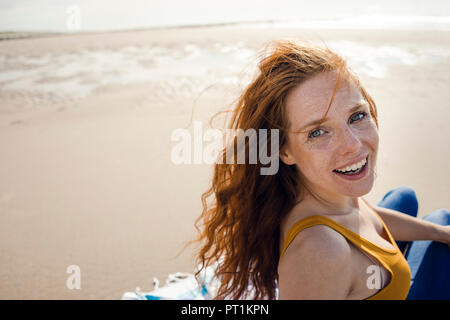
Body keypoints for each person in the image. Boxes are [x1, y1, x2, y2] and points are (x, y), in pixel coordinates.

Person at [192, 40, 450, 300]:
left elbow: (362, 214)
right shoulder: (321, 252)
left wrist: (439, 234)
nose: (353, 145)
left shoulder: (320, 191)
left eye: (357, 116)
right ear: (284, 151)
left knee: (414, 204)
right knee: (441, 218)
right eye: (317, 132)